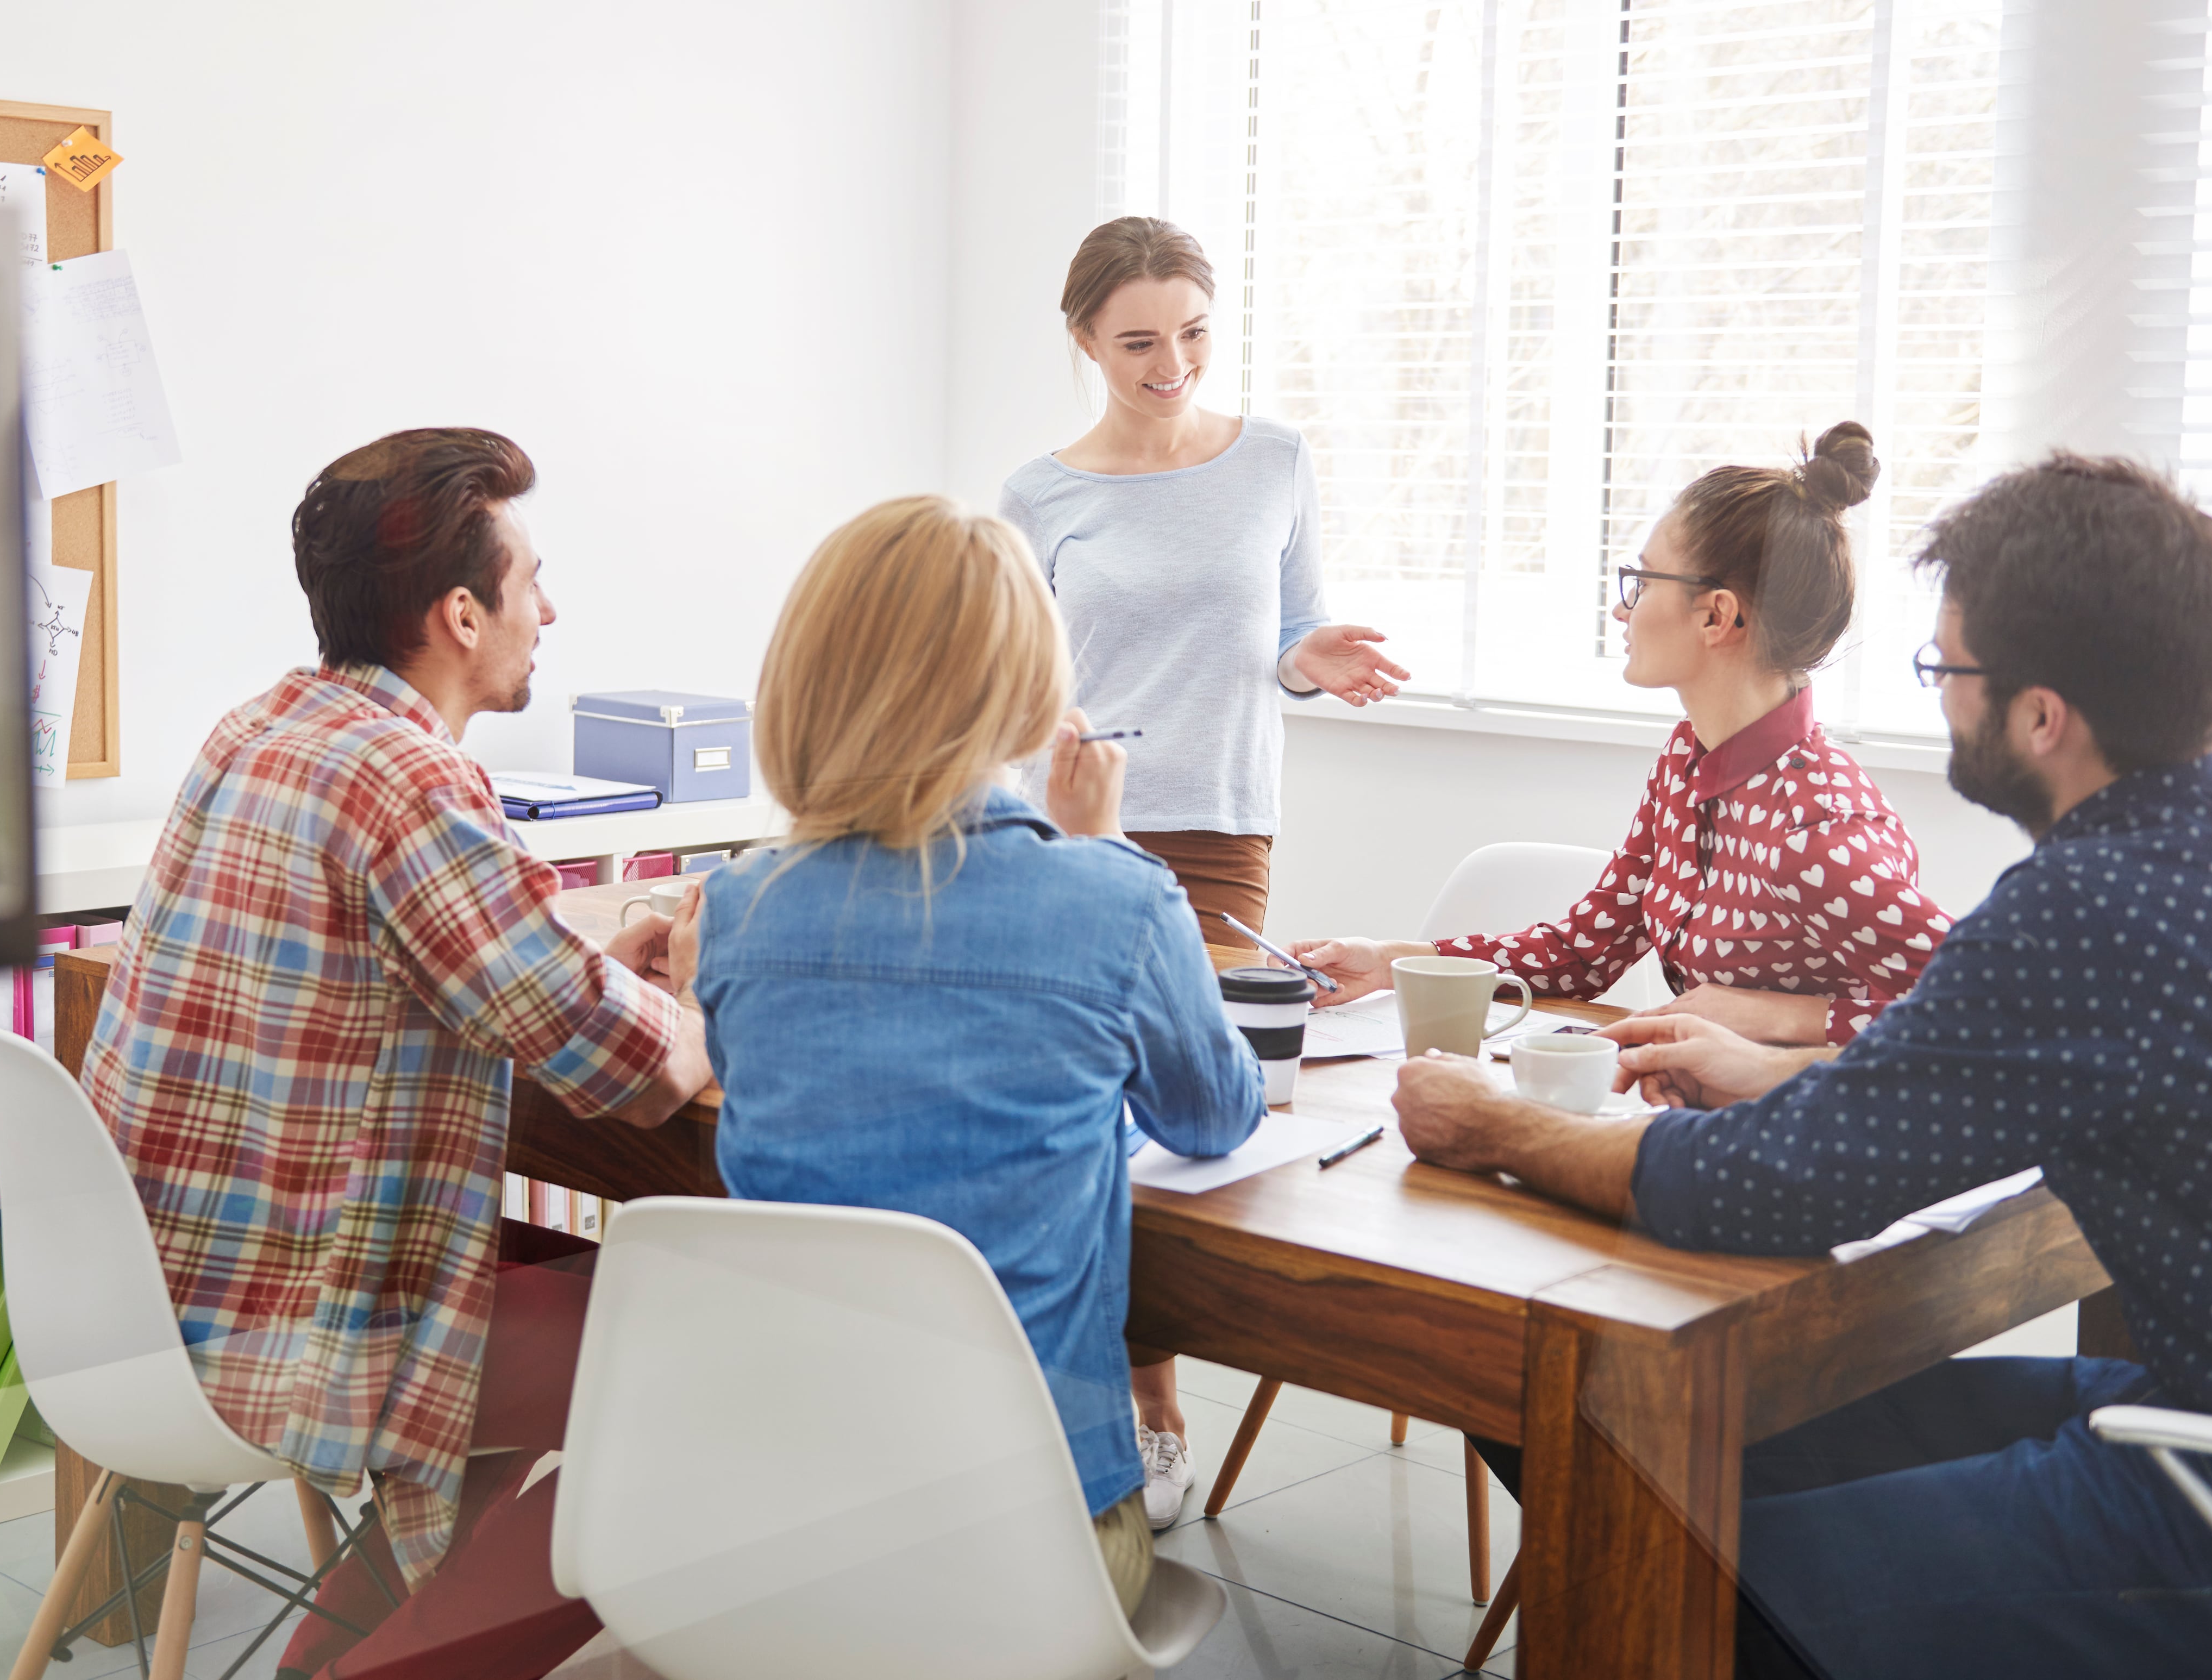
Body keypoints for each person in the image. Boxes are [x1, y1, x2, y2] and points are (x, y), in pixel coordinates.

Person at [1389, 453, 2212, 1678]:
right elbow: (1979, 1076)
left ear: (2040, 716)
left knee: (1649, 1554)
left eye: (1946, 670)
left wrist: (1493, 1126)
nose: (1938, 694)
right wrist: (1794, 1073)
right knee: (1670, 1441)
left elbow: (1761, 1190)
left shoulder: (2078, 911)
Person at [80, 429, 713, 1680]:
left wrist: (599, 978)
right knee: (706, 1353)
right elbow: (629, 1073)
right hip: (287, 1327)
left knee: (590, 1289)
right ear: (463, 612)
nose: (551, 607)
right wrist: (710, 1005)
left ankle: (335, 1657)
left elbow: (488, 977)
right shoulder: (413, 781)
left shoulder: (261, 723)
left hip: (145, 1301)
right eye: (533, 579)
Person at [687, 495, 1265, 1569]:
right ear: (1025, 692)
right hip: (1030, 1543)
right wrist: (1102, 853)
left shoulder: (739, 904)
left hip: (778, 1527)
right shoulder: (1117, 900)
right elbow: (1217, 1115)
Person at [1001, 215, 1405, 1489]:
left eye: (1190, 333)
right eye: (1136, 341)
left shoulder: (1274, 460)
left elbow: (1283, 634)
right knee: (1089, 1113)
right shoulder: (1039, 495)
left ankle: (1150, 1404)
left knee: (1191, 1113)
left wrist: (1310, 657)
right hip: (1077, 819)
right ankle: (1135, 1408)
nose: (1168, 362)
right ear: (1082, 340)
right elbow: (1015, 677)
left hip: (1224, 826)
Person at [1293, 422, 1954, 1049]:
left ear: (1716, 615)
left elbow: (1991, 1010)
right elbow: (1586, 948)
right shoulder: (1687, 760)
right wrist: (1391, 962)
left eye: (1639, 582)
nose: (1620, 606)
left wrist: (1778, 1013)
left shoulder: (1818, 826)